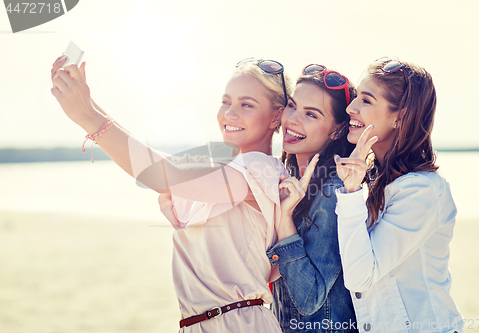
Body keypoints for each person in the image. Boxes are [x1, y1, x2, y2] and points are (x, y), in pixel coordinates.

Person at [50, 56, 296, 332]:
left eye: (246, 105)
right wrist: (86, 102)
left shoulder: (260, 169)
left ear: (276, 116)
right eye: (226, 101)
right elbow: (154, 160)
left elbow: (159, 173)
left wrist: (88, 117)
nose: (229, 114)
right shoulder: (221, 171)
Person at [334, 58, 464, 333]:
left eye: (366, 100)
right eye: (356, 96)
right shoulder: (370, 181)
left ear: (400, 116)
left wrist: (351, 192)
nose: (350, 108)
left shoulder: (421, 191)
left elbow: (360, 277)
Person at [266, 65, 358, 332]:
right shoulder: (289, 181)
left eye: (311, 114)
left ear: (338, 130)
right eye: (292, 106)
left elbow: (309, 298)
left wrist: (284, 219)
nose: (292, 119)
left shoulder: (332, 192)